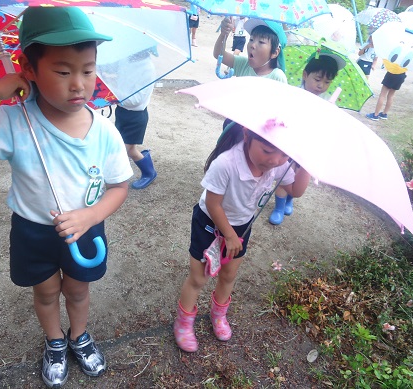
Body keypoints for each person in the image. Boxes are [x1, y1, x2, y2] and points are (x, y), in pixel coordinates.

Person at [0, 7, 133, 388]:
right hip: (32, 231)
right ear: (28, 67)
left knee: (77, 289)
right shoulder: (12, 122)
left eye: (88, 70)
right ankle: (55, 340)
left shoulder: (105, 131)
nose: (79, 84)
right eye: (63, 71)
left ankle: (79, 335)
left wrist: (90, 217)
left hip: (85, 229)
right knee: (45, 291)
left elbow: (120, 186)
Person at [173, 122, 310, 353]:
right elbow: (212, 203)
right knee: (198, 278)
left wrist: (305, 165)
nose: (275, 160)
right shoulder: (226, 163)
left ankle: (218, 315)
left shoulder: (280, 164)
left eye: (284, 154)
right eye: (267, 151)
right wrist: (228, 234)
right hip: (209, 224)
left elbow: (295, 191)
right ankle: (184, 323)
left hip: (242, 227)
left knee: (229, 274)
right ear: (247, 136)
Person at [269, 51, 345, 225]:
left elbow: (329, 126)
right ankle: (279, 207)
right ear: (305, 75)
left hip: (309, 145)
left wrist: (328, 113)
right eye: (317, 80)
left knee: (298, 175)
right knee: (284, 174)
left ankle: (290, 200)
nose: (321, 86)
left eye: (327, 82)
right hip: (289, 141)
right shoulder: (294, 93)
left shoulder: (328, 101)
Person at [114, 49, 157, 189]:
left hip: (136, 117)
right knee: (124, 146)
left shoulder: (148, 69)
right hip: (121, 111)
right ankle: (147, 166)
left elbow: (137, 100)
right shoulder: (126, 58)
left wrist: (115, 96)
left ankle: (149, 173)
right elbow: (115, 72)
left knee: (125, 149)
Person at [214, 17, 287, 80]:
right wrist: (223, 34)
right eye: (251, 40)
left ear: (275, 52)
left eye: (261, 42)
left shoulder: (277, 76)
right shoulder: (243, 65)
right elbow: (218, 54)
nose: (252, 45)